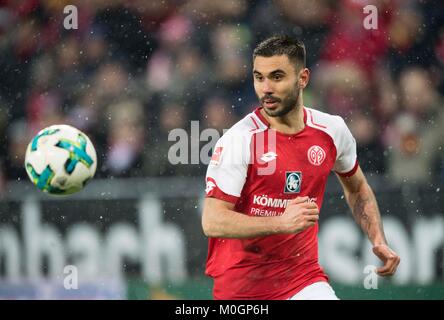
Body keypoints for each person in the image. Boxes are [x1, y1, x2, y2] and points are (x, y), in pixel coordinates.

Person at [201, 35, 400, 300]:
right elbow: (213, 221)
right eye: (259, 77)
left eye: (277, 76)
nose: (266, 88)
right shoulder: (240, 140)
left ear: (303, 78)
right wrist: (280, 222)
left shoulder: (332, 131)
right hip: (241, 288)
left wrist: (377, 239)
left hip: (302, 280)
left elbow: (358, 188)